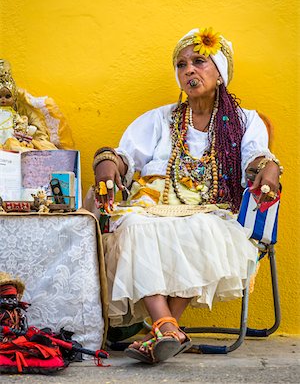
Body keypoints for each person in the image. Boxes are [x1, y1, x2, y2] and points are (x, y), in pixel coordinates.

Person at [87, 27, 282, 364]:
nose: (189, 69)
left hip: (213, 209)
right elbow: (125, 156)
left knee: (200, 231)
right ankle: (168, 326)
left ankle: (163, 327)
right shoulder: (161, 120)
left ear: (220, 72)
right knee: (132, 226)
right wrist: (107, 163)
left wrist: (269, 170)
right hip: (152, 206)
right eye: (181, 64)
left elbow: (256, 157)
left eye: (199, 61)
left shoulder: (246, 121)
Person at [0, 59, 72, 151]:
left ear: (14, 98)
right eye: (0, 96)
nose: (3, 100)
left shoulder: (19, 108)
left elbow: (24, 124)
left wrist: (24, 129)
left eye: (7, 96)